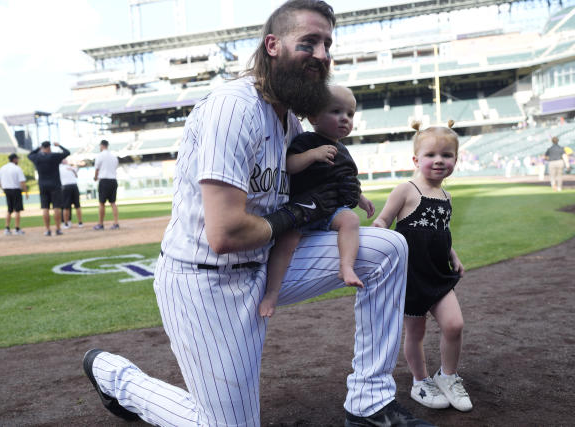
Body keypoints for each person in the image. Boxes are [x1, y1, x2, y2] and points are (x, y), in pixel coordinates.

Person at [82, 2, 431, 426]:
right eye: (308, 42)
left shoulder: (288, 123)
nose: (322, 55)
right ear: (273, 46)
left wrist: (335, 203)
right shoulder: (234, 108)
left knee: (388, 249)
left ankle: (369, 403)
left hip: (263, 264)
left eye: (327, 45)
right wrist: (297, 214)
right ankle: (117, 377)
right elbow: (225, 233)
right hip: (207, 279)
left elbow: (309, 198)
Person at [372, 120, 473, 413]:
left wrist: (454, 256)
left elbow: (441, 232)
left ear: (456, 159)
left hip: (438, 273)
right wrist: (378, 236)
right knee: (415, 334)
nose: (439, 161)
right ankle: (420, 381)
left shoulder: (446, 196)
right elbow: (382, 221)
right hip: (410, 277)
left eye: (447, 155)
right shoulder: (406, 189)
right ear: (416, 159)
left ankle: (448, 376)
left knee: (454, 324)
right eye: (431, 155)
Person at [259, 85, 375, 318]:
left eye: (350, 114)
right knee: (286, 240)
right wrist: (312, 155)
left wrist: (360, 198)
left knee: (350, 220)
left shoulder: (342, 150)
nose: (345, 119)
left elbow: (345, 180)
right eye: (336, 111)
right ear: (313, 116)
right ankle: (271, 293)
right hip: (304, 208)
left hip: (330, 210)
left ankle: (346, 267)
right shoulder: (307, 140)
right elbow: (289, 166)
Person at [27, 141, 70, 236]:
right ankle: (58, 229)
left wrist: (38, 148)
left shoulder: (37, 158)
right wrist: (59, 145)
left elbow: (29, 155)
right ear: (49, 147)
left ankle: (47, 230)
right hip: (55, 184)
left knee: (45, 208)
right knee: (56, 208)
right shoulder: (54, 156)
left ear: (42, 147)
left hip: (43, 185)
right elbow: (67, 152)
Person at [0, 153, 28, 235]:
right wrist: (26, 192)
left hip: (7, 190)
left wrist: (2, 187)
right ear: (14, 159)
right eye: (17, 159)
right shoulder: (17, 168)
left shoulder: (3, 168)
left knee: (9, 210)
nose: (18, 160)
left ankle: (7, 228)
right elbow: (22, 181)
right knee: (17, 210)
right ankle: (17, 228)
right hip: (16, 190)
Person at [93, 140, 119, 230]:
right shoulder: (113, 156)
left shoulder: (100, 156)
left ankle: (100, 224)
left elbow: (97, 169)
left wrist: (95, 177)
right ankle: (116, 223)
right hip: (113, 180)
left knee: (101, 203)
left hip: (104, 180)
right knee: (113, 203)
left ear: (101, 146)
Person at [59, 159, 84, 228]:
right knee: (77, 206)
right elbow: (77, 172)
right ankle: (80, 223)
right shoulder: (71, 167)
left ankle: (66, 223)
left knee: (66, 207)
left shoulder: (59, 168)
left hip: (65, 187)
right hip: (74, 186)